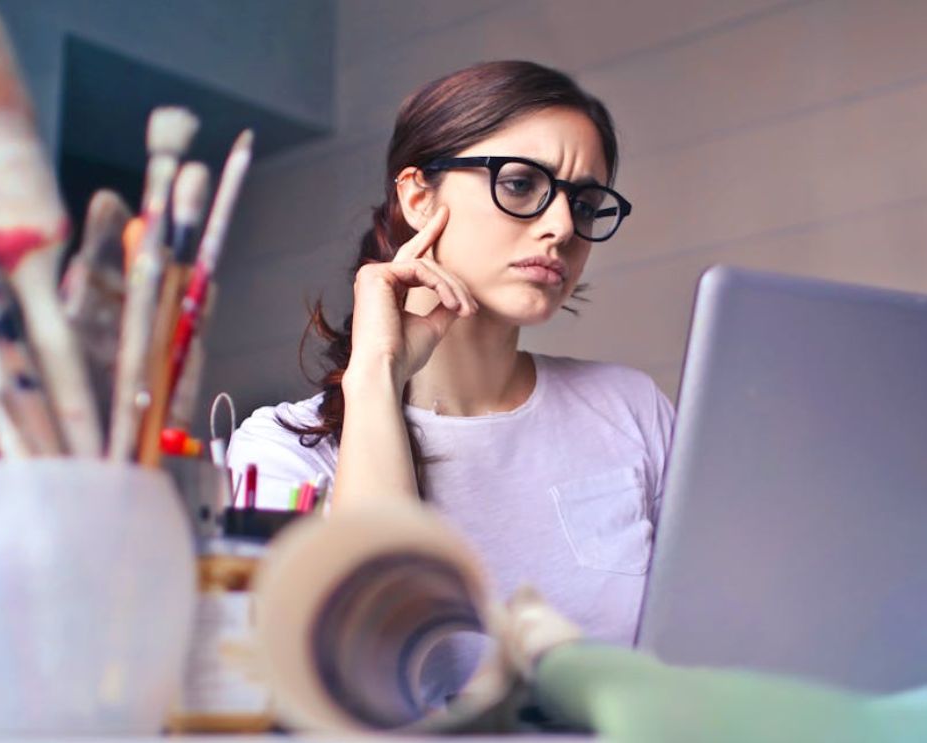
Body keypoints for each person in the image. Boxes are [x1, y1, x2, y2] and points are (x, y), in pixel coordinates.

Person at [227, 59, 675, 702]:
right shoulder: (279, 452)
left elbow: (706, 647)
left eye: (584, 202)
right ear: (418, 197)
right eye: (521, 184)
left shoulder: (630, 409)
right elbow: (363, 673)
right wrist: (377, 374)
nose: (562, 228)